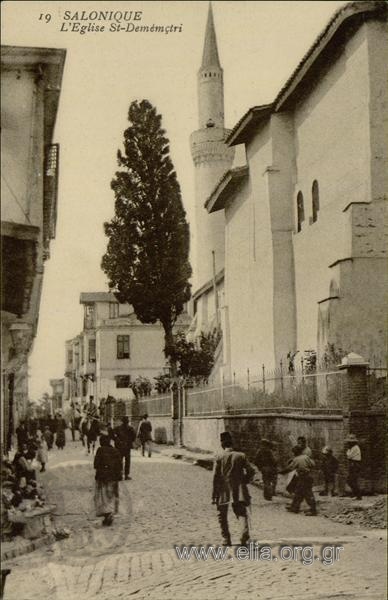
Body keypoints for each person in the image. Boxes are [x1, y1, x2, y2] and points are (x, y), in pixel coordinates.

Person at [212, 431, 255, 546]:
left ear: (222, 444)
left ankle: (226, 538)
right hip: (239, 489)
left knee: (222, 514)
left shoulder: (219, 456)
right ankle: (244, 536)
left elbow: (215, 477)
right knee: (241, 513)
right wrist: (244, 481)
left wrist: (214, 494)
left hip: (223, 489)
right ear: (232, 444)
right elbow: (251, 471)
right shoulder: (241, 455)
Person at [93, 434, 122, 526]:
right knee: (111, 496)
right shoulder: (116, 451)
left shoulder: (100, 450)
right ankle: (111, 513)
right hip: (113, 478)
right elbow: (120, 466)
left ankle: (107, 515)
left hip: (102, 478)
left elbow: (95, 464)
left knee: (103, 497)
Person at [281, 445, 317, 515]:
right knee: (299, 492)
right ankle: (294, 507)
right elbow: (313, 464)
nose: (293, 453)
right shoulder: (306, 457)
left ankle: (313, 510)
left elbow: (290, 468)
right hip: (308, 477)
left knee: (308, 494)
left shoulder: (296, 459)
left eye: (293, 452)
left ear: (295, 452)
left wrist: (281, 472)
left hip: (302, 477)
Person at [113, 416, 136, 480]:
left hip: (119, 446)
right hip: (127, 447)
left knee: (119, 460)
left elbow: (112, 434)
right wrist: (130, 441)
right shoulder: (130, 428)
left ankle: (119, 474)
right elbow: (134, 436)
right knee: (127, 461)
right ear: (128, 422)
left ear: (122, 421)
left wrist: (117, 440)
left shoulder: (117, 428)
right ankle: (126, 475)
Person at [345, 434, 362, 500]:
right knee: (350, 480)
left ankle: (358, 495)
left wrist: (348, 451)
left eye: (350, 442)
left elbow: (349, 456)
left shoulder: (355, 447)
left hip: (355, 464)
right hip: (353, 464)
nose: (348, 443)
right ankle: (356, 494)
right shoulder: (352, 448)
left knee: (352, 480)